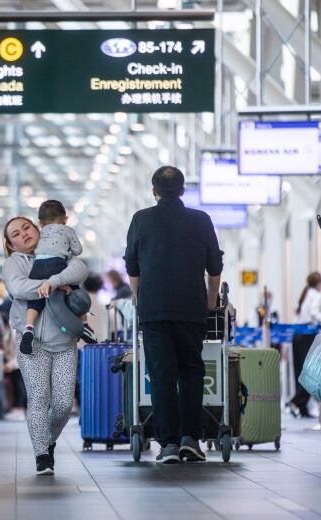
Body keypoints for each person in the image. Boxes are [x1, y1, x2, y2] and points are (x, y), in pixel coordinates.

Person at [123, 165, 224, 464]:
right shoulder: (200, 219)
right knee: (191, 372)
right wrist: (208, 302)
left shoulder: (141, 219)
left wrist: (141, 299)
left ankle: (167, 444)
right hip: (191, 308)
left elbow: (132, 267)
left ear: (154, 191)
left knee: (162, 374)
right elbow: (214, 268)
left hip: (154, 309)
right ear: (183, 190)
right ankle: (190, 439)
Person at [2, 216, 88, 475]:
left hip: (64, 341)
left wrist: (52, 281)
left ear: (39, 229)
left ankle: (47, 440)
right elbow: (18, 288)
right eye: (16, 234)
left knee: (63, 404)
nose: (24, 234)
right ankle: (42, 454)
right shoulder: (11, 264)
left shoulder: (61, 254)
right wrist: (55, 283)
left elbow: (80, 269)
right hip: (32, 342)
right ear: (10, 244)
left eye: (27, 228)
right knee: (39, 399)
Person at [18, 200, 95, 355]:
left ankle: (29, 328)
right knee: (75, 291)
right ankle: (84, 324)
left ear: (40, 223)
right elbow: (77, 250)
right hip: (57, 264)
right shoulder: (67, 230)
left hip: (38, 267)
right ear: (65, 219)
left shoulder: (40, 233)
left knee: (35, 300)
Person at [288, 272, 321, 418]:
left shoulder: (305, 293)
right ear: (319, 283)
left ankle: (302, 407)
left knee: (300, 371)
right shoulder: (315, 294)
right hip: (307, 335)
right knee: (309, 372)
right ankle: (295, 401)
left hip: (297, 335)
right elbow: (314, 312)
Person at [0, 278, 27, 421]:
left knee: (19, 381)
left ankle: (20, 409)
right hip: (19, 357)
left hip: (19, 359)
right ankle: (20, 409)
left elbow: (13, 344)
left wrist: (10, 362)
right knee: (19, 381)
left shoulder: (13, 325)